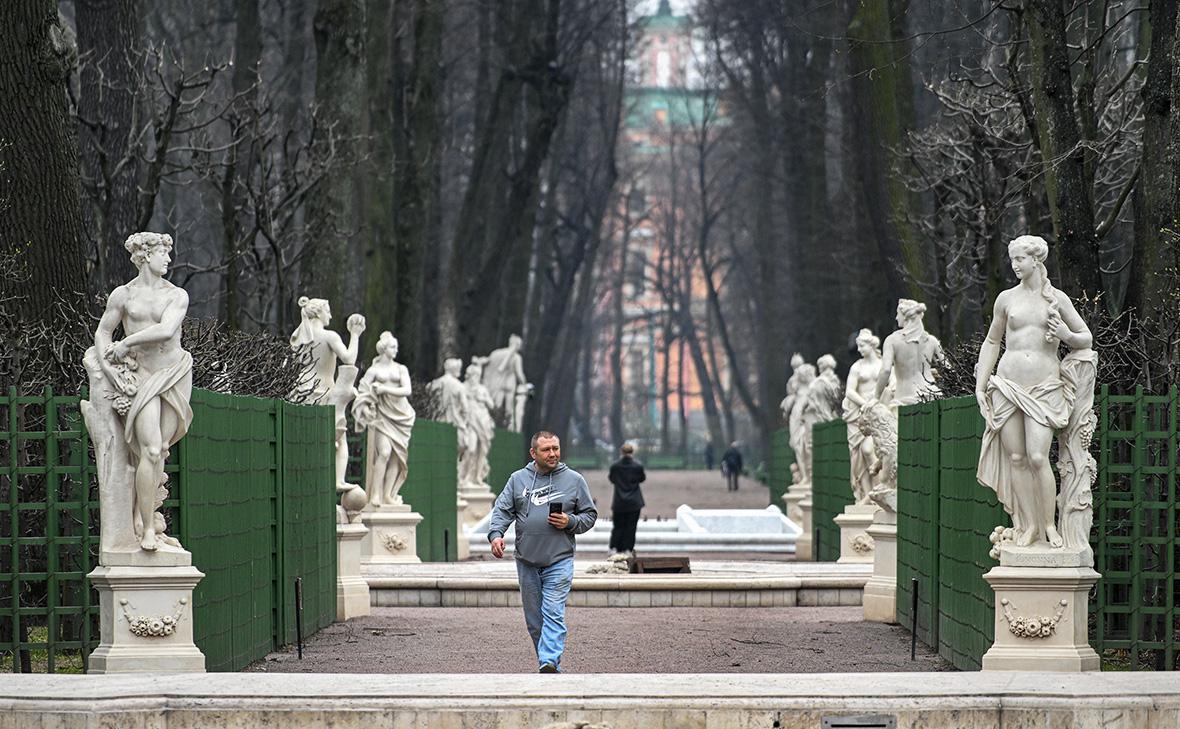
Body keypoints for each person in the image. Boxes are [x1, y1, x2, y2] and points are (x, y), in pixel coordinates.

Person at [975, 235, 1094, 549]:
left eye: (1020, 259)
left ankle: (1048, 526)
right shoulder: (1005, 299)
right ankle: (1028, 527)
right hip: (1007, 384)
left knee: (1039, 457)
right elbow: (991, 342)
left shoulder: (1056, 299)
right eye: (1012, 259)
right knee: (1016, 457)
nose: (1014, 265)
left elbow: (1086, 338)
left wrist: (1066, 334)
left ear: (1036, 260)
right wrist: (980, 381)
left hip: (1042, 387)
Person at [91, 232, 192, 551]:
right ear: (145, 256)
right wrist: (110, 371)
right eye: (163, 252)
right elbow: (103, 333)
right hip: (139, 376)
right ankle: (147, 529)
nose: (169, 259)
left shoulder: (177, 295)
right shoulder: (123, 295)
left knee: (159, 449)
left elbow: (165, 330)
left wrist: (126, 344)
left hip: (173, 373)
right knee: (148, 450)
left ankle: (141, 514)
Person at [487, 431, 597, 673]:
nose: (552, 454)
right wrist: (496, 535)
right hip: (527, 560)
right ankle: (548, 664)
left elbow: (590, 516)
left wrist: (570, 521)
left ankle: (548, 660)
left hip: (559, 559)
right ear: (533, 453)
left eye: (556, 448)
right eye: (546, 449)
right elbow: (502, 510)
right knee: (535, 621)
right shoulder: (518, 479)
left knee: (553, 612)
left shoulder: (575, 480)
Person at [351, 332, 415, 507]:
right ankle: (375, 494)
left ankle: (388, 495)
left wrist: (384, 389)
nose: (396, 350)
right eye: (393, 347)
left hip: (401, 415)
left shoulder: (401, 369)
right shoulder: (374, 370)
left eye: (396, 347)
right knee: (384, 452)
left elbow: (407, 390)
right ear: (384, 349)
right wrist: (366, 402)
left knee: (397, 457)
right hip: (382, 416)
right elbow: (363, 389)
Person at [607, 443, 646, 555]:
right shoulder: (638, 466)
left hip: (619, 501)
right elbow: (642, 479)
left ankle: (614, 547)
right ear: (632, 452)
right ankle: (628, 549)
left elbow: (612, 479)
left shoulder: (615, 466)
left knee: (618, 526)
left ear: (621, 452)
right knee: (631, 527)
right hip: (634, 501)